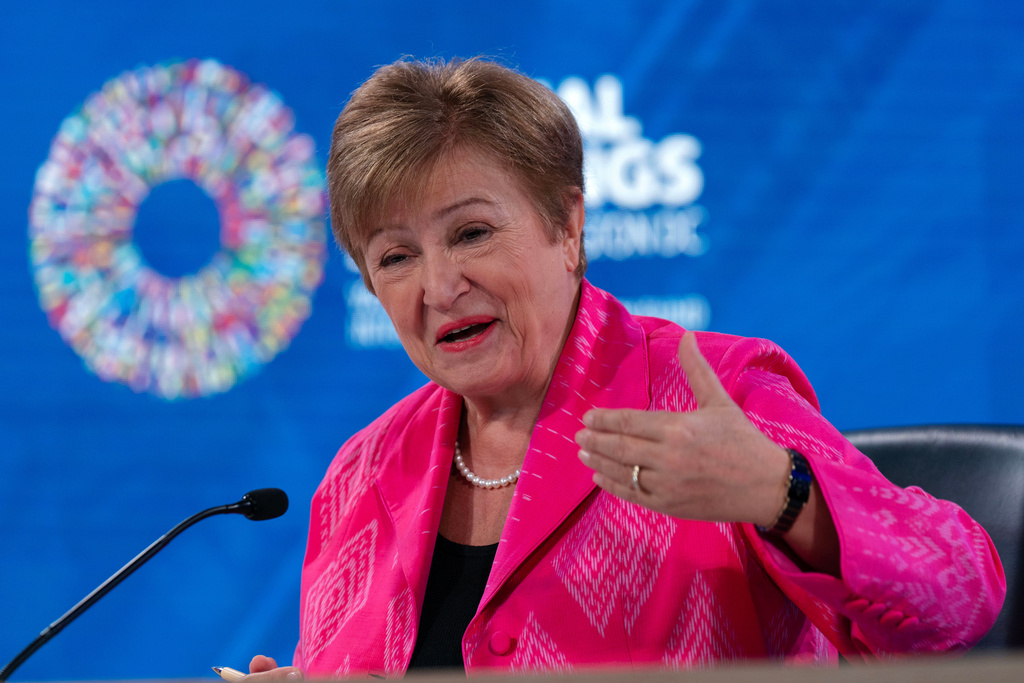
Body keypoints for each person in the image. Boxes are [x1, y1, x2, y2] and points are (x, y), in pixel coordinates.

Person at [245, 57, 1005, 679]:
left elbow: (960, 596)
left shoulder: (710, 392)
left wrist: (782, 494)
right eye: (396, 256)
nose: (439, 287)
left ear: (568, 227)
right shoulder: (362, 472)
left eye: (472, 232)